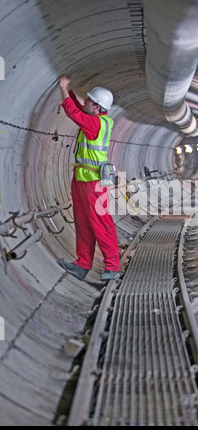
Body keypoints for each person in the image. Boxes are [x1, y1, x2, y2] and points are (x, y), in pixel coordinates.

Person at [58, 74, 120, 281]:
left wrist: (63, 88)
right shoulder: (93, 118)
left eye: (90, 100)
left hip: (95, 182)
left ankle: (113, 266)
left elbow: (74, 113)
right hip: (81, 178)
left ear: (98, 108)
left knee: (101, 223)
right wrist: (71, 92)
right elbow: (78, 108)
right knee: (83, 223)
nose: (86, 101)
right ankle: (82, 264)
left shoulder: (97, 124)